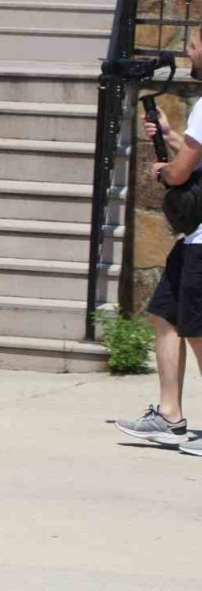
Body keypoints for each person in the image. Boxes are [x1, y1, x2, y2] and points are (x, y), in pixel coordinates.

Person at [115, 29, 202, 456]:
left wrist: (163, 173)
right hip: (194, 240)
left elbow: (182, 172)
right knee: (166, 314)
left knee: (200, 331)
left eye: (195, 46)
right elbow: (193, 153)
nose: (189, 54)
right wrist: (169, 135)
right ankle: (170, 417)